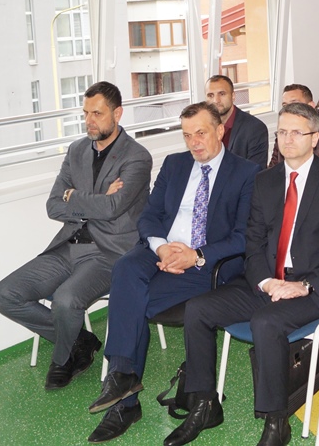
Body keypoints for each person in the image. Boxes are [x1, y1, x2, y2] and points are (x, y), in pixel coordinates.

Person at [168, 103, 319, 446]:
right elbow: (252, 242)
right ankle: (204, 404)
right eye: (282, 132)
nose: (287, 139)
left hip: (313, 288)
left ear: (315, 138)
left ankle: (276, 422)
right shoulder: (265, 181)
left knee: (266, 323)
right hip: (266, 281)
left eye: (296, 132)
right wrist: (267, 281)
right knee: (197, 309)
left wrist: (304, 285)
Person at [86, 102, 259, 443]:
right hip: (163, 250)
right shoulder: (175, 164)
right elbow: (149, 216)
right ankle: (123, 378)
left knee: (132, 302)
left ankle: (125, 399)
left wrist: (196, 255)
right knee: (125, 268)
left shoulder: (247, 173)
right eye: (187, 135)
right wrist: (162, 247)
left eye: (201, 133)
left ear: (220, 131)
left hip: (205, 263)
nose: (194, 142)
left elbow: (244, 236)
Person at [0, 81, 153, 390]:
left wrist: (74, 196)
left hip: (109, 253)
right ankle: (80, 340)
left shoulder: (137, 157)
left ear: (117, 113)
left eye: (97, 113)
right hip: (70, 246)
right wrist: (96, 199)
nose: (89, 120)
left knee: (65, 301)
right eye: (85, 113)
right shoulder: (77, 150)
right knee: (5, 294)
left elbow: (114, 208)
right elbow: (54, 205)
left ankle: (63, 358)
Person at [268, 84, 319, 168]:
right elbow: (272, 170)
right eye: (285, 106)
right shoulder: (282, 135)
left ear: (310, 106)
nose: (289, 110)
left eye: (295, 104)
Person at [206, 75, 269, 167]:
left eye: (222, 94)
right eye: (210, 95)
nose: (216, 100)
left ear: (233, 96)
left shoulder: (255, 129)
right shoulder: (203, 127)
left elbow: (256, 172)